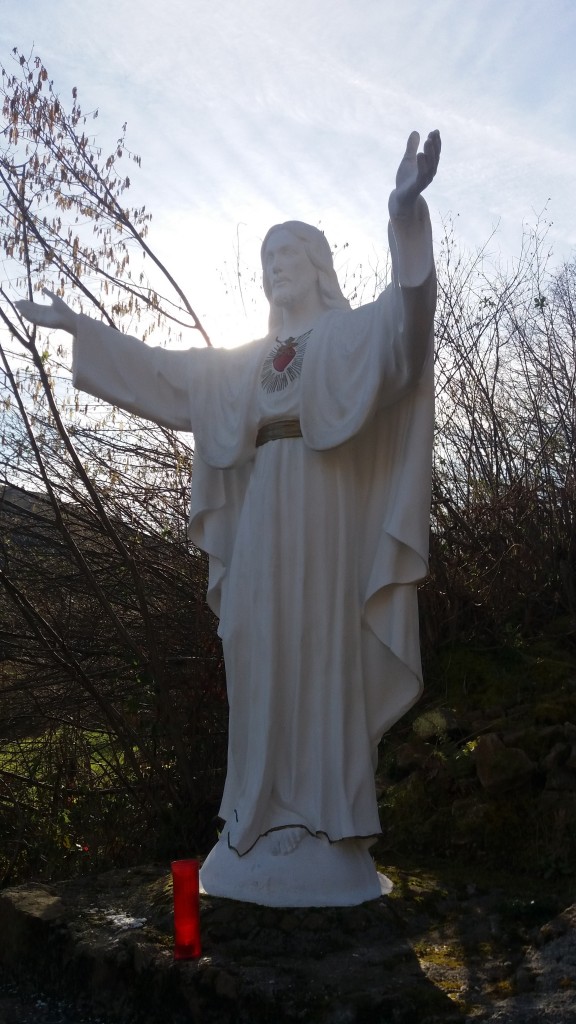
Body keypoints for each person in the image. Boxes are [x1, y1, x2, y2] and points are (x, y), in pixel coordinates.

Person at [16, 129, 441, 906]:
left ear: (316, 268)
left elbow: (410, 336)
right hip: (261, 528)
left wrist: (405, 220)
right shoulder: (245, 361)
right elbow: (167, 376)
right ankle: (253, 818)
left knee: (320, 651)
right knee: (252, 648)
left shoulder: (349, 335)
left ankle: (324, 824)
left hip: (326, 517)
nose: (274, 269)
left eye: (288, 256)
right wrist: (82, 329)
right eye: (266, 259)